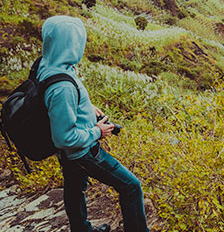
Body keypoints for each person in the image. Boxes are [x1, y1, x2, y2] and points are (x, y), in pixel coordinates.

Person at [37, 15, 149, 232]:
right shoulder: (62, 87)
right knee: (131, 187)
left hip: (71, 154)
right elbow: (64, 138)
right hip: (82, 152)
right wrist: (97, 131)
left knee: (75, 188)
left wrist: (85, 108)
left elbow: (59, 105)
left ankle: (82, 229)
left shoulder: (48, 63)